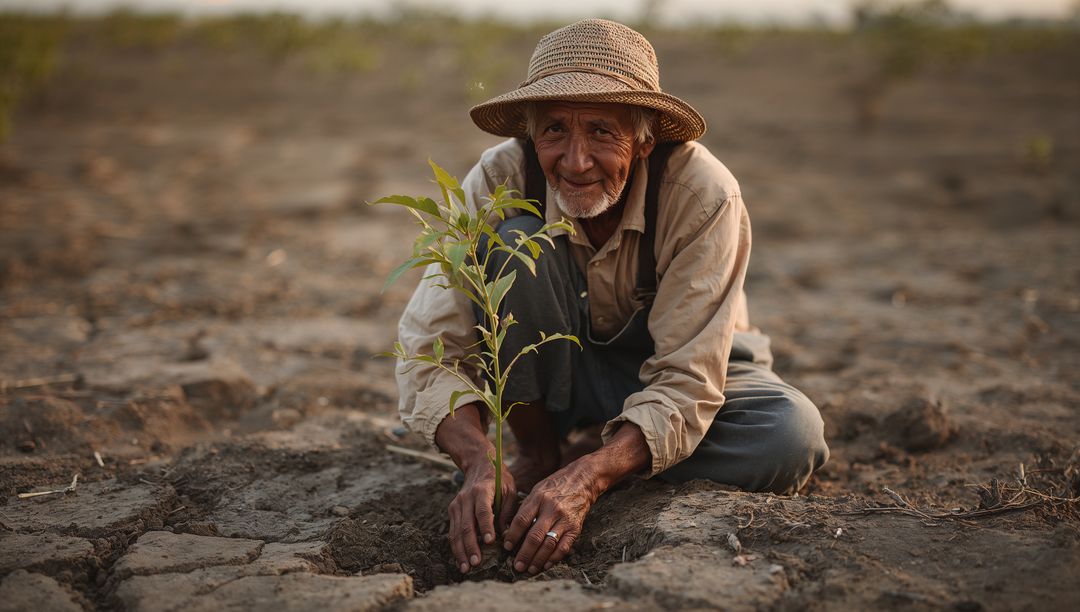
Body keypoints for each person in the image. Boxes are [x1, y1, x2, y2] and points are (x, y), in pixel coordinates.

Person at [395, 18, 828, 577]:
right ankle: (537, 452)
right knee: (511, 245)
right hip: (555, 382)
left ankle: (590, 455)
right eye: (554, 131)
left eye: (602, 130)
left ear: (645, 138)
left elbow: (688, 380)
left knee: (788, 434)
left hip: (670, 372)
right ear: (530, 135)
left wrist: (592, 475)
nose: (575, 162)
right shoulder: (501, 178)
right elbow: (432, 348)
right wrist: (482, 459)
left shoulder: (702, 192)